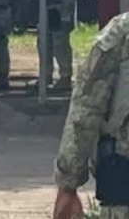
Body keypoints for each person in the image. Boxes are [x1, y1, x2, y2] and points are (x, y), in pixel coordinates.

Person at [53, 13, 129, 219]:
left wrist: (67, 185)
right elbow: (87, 107)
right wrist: (68, 184)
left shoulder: (120, 33)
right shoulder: (121, 35)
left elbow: (86, 108)